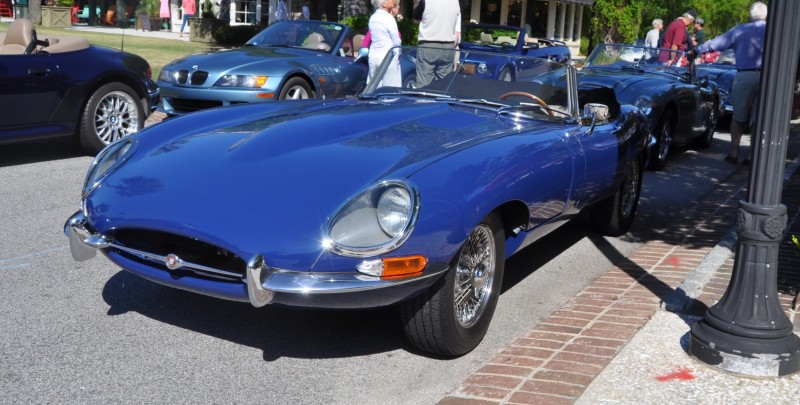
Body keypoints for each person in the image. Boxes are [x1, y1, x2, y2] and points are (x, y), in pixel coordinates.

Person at [695, 2, 767, 165]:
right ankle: (750, 155)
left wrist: (697, 50)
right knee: (759, 118)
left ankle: (734, 153)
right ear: (766, 16)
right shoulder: (773, 30)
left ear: (751, 15)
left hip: (745, 75)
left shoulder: (740, 30)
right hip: (766, 77)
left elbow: (717, 43)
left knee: (738, 117)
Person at [413, 0, 461, 88]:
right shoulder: (455, 2)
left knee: (424, 84)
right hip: (448, 46)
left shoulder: (426, 1)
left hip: (428, 45)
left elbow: (416, 18)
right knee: (444, 84)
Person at [368, 0, 402, 87]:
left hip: (373, 56)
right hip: (387, 56)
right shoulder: (389, 18)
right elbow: (396, 40)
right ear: (384, 4)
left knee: (374, 88)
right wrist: (398, 54)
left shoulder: (373, 17)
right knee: (389, 88)